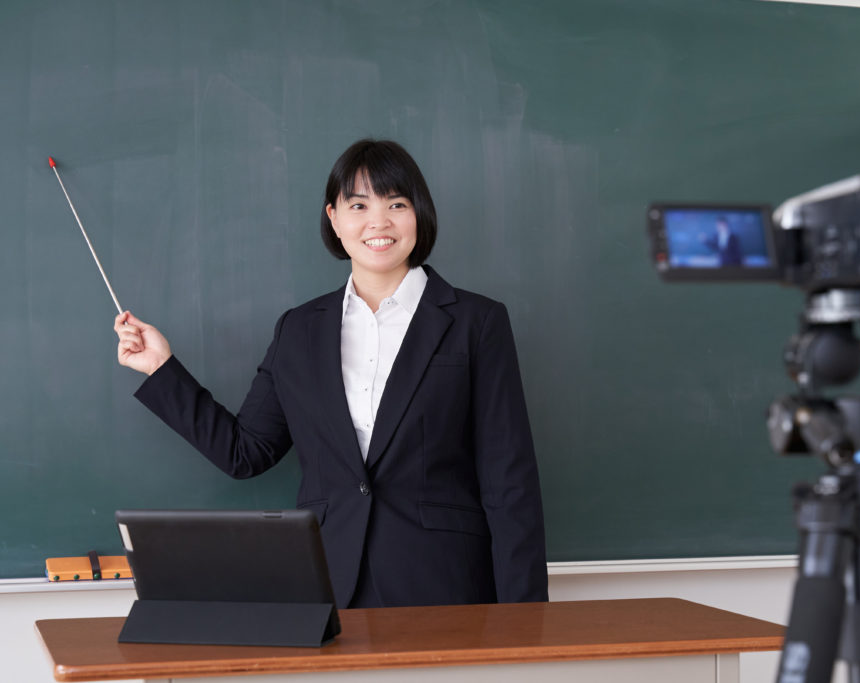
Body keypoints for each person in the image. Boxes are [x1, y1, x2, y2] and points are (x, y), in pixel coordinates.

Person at [113, 139, 548, 608]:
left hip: (443, 584)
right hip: (328, 586)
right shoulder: (299, 329)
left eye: (396, 204)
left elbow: (509, 480)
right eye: (358, 205)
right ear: (334, 219)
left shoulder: (476, 322)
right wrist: (160, 367)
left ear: (418, 214)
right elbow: (246, 452)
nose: (378, 222)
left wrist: (524, 616)